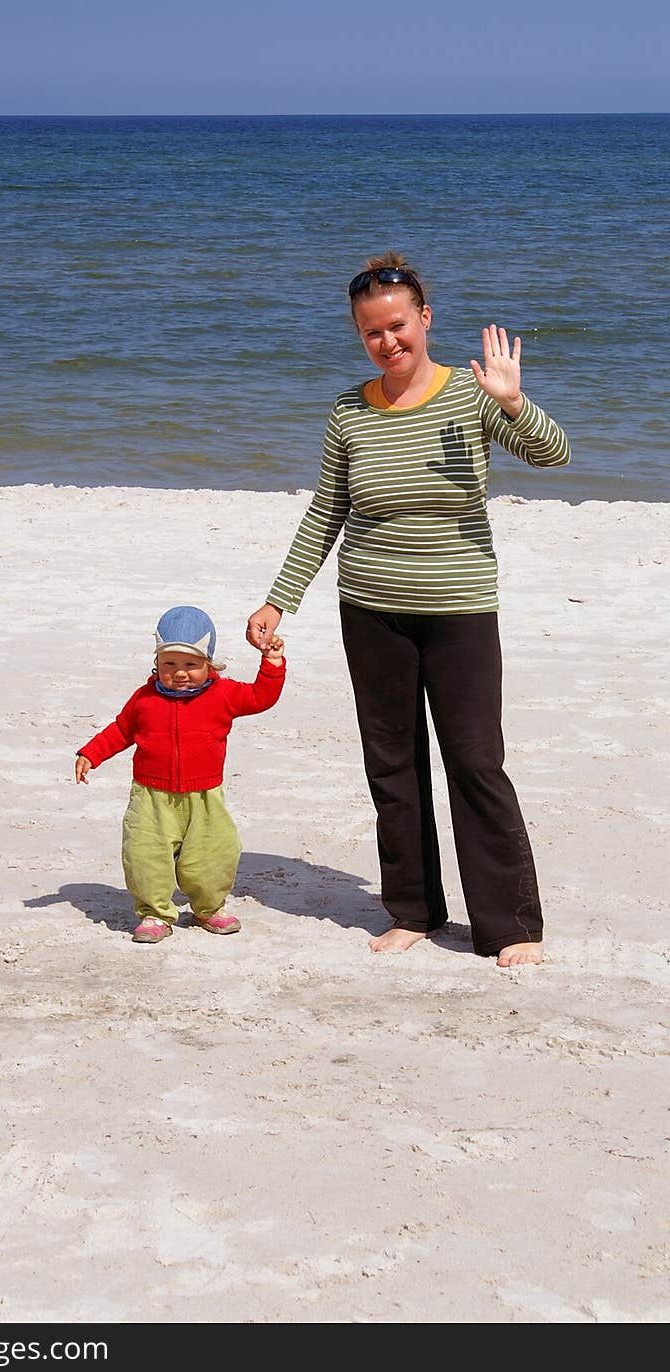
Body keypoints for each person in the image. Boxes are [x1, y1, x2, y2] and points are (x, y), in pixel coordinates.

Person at [247, 253, 569, 968]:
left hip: (460, 609)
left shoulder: (473, 393)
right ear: (360, 335)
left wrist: (514, 402)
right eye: (371, 332)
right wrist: (281, 597)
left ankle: (510, 925)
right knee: (392, 764)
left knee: (477, 762)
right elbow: (327, 511)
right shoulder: (348, 411)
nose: (387, 341)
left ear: (424, 318)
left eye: (397, 325)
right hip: (370, 608)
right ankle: (413, 911)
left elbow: (554, 455)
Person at [75, 605, 286, 943]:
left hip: (205, 796)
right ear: (156, 663)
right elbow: (120, 730)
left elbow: (261, 697)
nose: (180, 673)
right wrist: (91, 753)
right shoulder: (144, 699)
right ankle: (154, 914)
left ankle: (208, 908)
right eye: (169, 664)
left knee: (213, 854)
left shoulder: (224, 694)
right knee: (145, 855)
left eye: (191, 664)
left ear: (209, 663)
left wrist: (272, 664)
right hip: (151, 796)